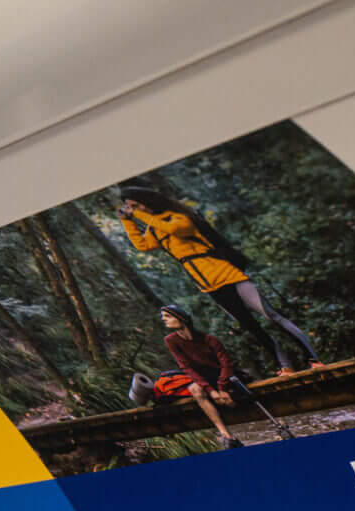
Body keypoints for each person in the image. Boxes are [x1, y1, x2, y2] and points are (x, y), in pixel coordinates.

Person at [115, 185, 321, 375]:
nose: (134, 210)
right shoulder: (154, 228)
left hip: (229, 274)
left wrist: (140, 216)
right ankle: (285, 366)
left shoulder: (176, 217)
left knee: (272, 316)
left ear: (147, 202)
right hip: (208, 284)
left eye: (136, 205)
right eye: (130, 207)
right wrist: (127, 221)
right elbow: (143, 245)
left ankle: (314, 359)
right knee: (251, 326)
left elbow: (177, 230)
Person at [129, 306, 245, 449]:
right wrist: (211, 391)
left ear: (181, 319)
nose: (163, 319)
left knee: (228, 394)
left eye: (167, 316)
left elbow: (226, 364)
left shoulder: (210, 340)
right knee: (195, 389)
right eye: (163, 316)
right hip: (201, 378)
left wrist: (222, 388)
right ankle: (227, 436)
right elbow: (186, 367)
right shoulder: (171, 340)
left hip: (223, 375)